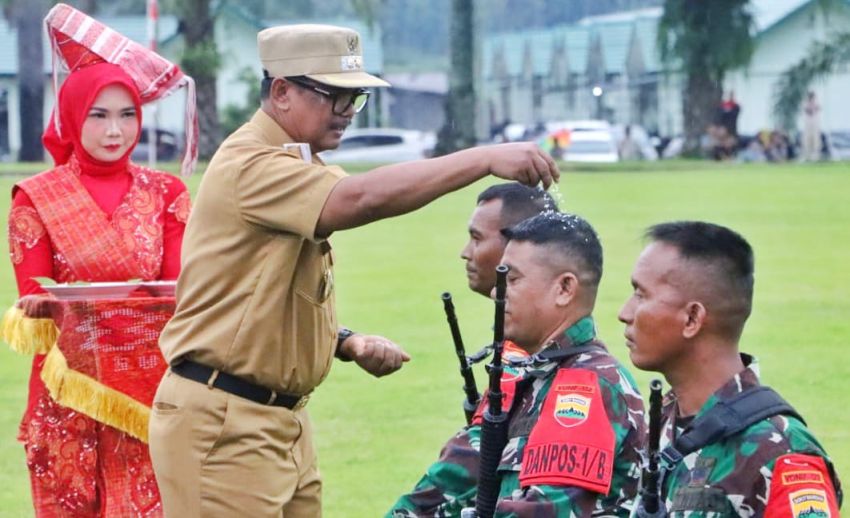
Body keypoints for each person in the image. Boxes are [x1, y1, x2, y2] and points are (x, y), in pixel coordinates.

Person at [147, 23, 559, 517]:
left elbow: (257, 289)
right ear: (281, 91)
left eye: (355, 98)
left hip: (279, 419)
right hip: (226, 421)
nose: (346, 113)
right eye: (334, 96)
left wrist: (343, 341)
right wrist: (485, 158)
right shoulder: (251, 164)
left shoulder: (297, 162)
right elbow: (360, 199)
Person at [5, 61, 190, 516]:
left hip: (150, 389)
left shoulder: (168, 193)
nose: (116, 130)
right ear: (70, 117)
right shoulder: (36, 198)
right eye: (98, 115)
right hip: (67, 391)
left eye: (128, 114)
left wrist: (91, 299)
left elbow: (180, 292)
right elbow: (36, 298)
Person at [388, 213, 645, 516]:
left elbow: (542, 511)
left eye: (512, 279)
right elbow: (454, 483)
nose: (497, 292)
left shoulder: (584, 387)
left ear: (564, 289)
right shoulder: (531, 373)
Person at [620, 221, 842, 516]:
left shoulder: (782, 453)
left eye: (641, 295)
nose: (625, 313)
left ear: (692, 319)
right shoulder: (666, 423)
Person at [802, 91, 821, 161]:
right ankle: (807, 156)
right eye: (810, 96)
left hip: (815, 124)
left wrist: (814, 106)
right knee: (807, 139)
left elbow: (818, 108)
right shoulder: (805, 103)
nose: (811, 98)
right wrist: (811, 106)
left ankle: (815, 156)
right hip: (808, 125)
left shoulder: (816, 102)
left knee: (816, 140)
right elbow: (807, 110)